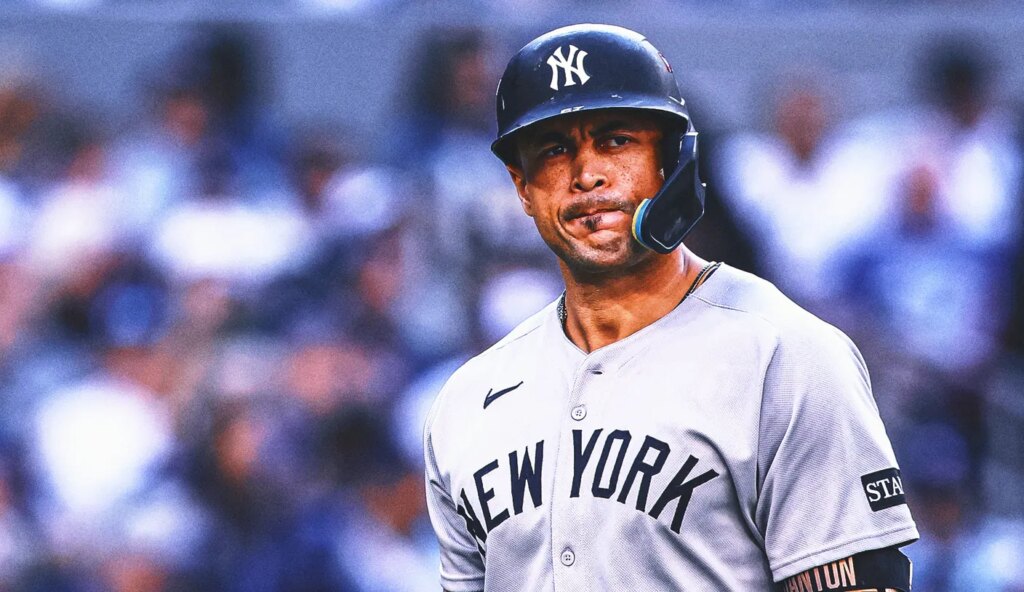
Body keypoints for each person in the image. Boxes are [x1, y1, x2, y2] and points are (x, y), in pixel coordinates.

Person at [422, 24, 918, 592]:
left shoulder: (787, 357)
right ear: (522, 186)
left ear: (672, 160)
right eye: (554, 150)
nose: (587, 175)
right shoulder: (466, 402)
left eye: (616, 141)